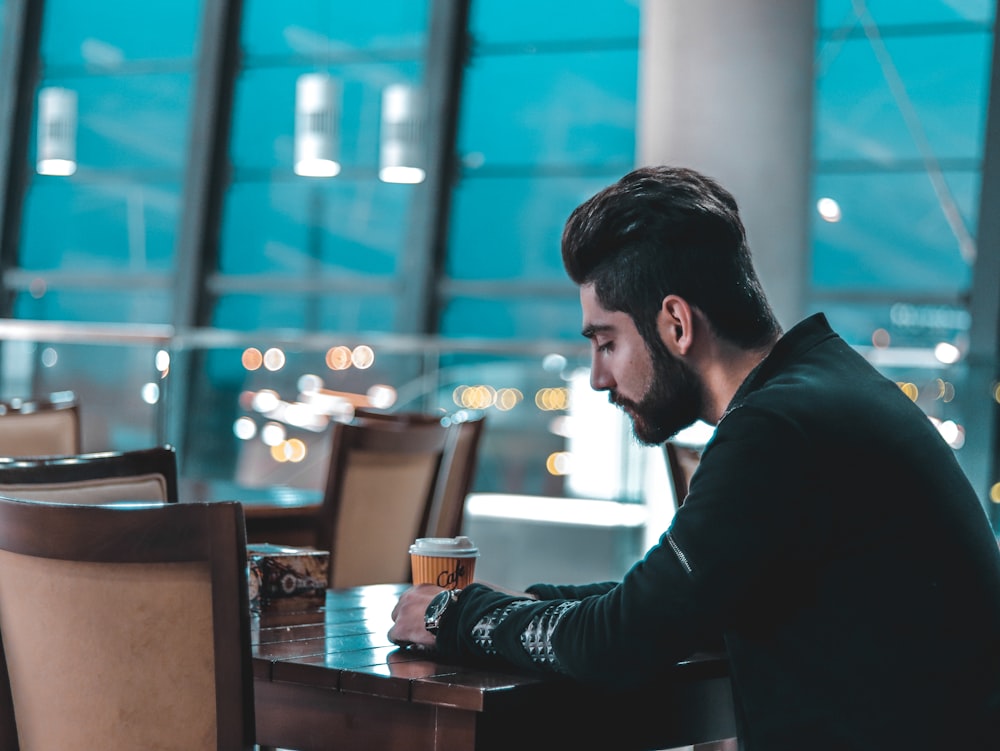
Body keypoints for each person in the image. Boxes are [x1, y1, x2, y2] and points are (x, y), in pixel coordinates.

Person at [389, 165, 1000, 750]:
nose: (599, 377)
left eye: (607, 342)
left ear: (676, 323)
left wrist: (456, 615)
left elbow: (619, 645)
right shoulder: (825, 386)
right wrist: (533, 608)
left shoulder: (775, 429)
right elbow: (678, 605)